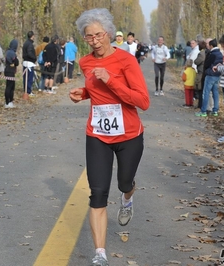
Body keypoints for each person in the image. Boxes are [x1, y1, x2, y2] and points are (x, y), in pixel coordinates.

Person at [70, 8, 150, 266]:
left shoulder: (126, 61)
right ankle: (100, 254)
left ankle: (127, 198)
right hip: (98, 134)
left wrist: (111, 81)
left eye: (98, 35)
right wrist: (82, 93)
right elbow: (96, 92)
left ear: (108, 34)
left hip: (128, 135)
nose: (94, 41)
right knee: (98, 193)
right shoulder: (85, 62)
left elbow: (142, 101)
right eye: (88, 37)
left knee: (124, 182)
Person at [195, 38, 222, 117]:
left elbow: (206, 64)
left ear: (211, 45)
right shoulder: (220, 53)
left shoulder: (212, 54)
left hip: (210, 75)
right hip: (217, 75)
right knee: (215, 93)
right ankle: (215, 110)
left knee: (206, 93)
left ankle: (203, 110)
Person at [4, 39, 19, 108]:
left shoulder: (7, 52)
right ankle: (9, 102)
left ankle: (7, 102)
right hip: (10, 71)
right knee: (10, 87)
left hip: (7, 70)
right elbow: (16, 62)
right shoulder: (12, 53)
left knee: (8, 86)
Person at [22, 31, 37, 97]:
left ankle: (26, 89)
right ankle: (28, 91)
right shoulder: (30, 44)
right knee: (29, 78)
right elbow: (29, 53)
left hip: (25, 62)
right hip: (29, 62)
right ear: (32, 36)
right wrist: (34, 58)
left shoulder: (25, 43)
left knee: (25, 78)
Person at [193, 41, 206, 109]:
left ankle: (200, 104)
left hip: (201, 72)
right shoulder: (207, 52)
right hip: (204, 72)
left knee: (200, 89)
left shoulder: (201, 54)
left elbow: (196, 61)